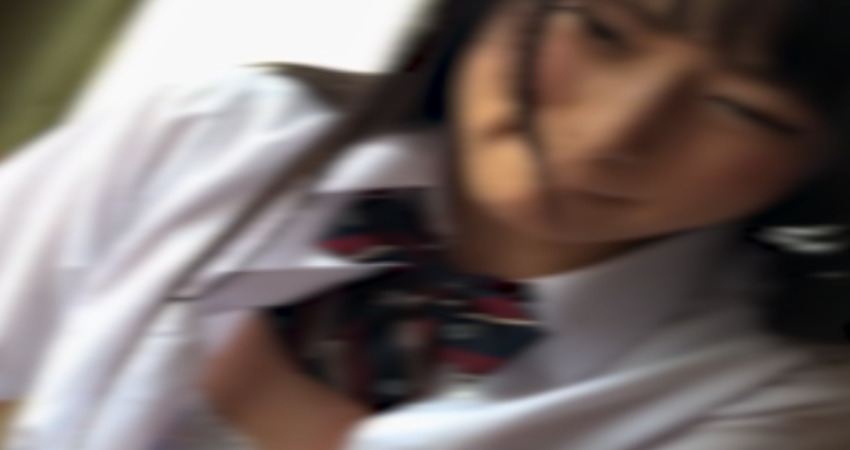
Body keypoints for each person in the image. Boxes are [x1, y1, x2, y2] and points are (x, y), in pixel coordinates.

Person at [4, 0, 850, 448]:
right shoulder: (218, 136)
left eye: (745, 108)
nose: (613, 133)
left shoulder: (779, 406)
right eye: (600, 28)